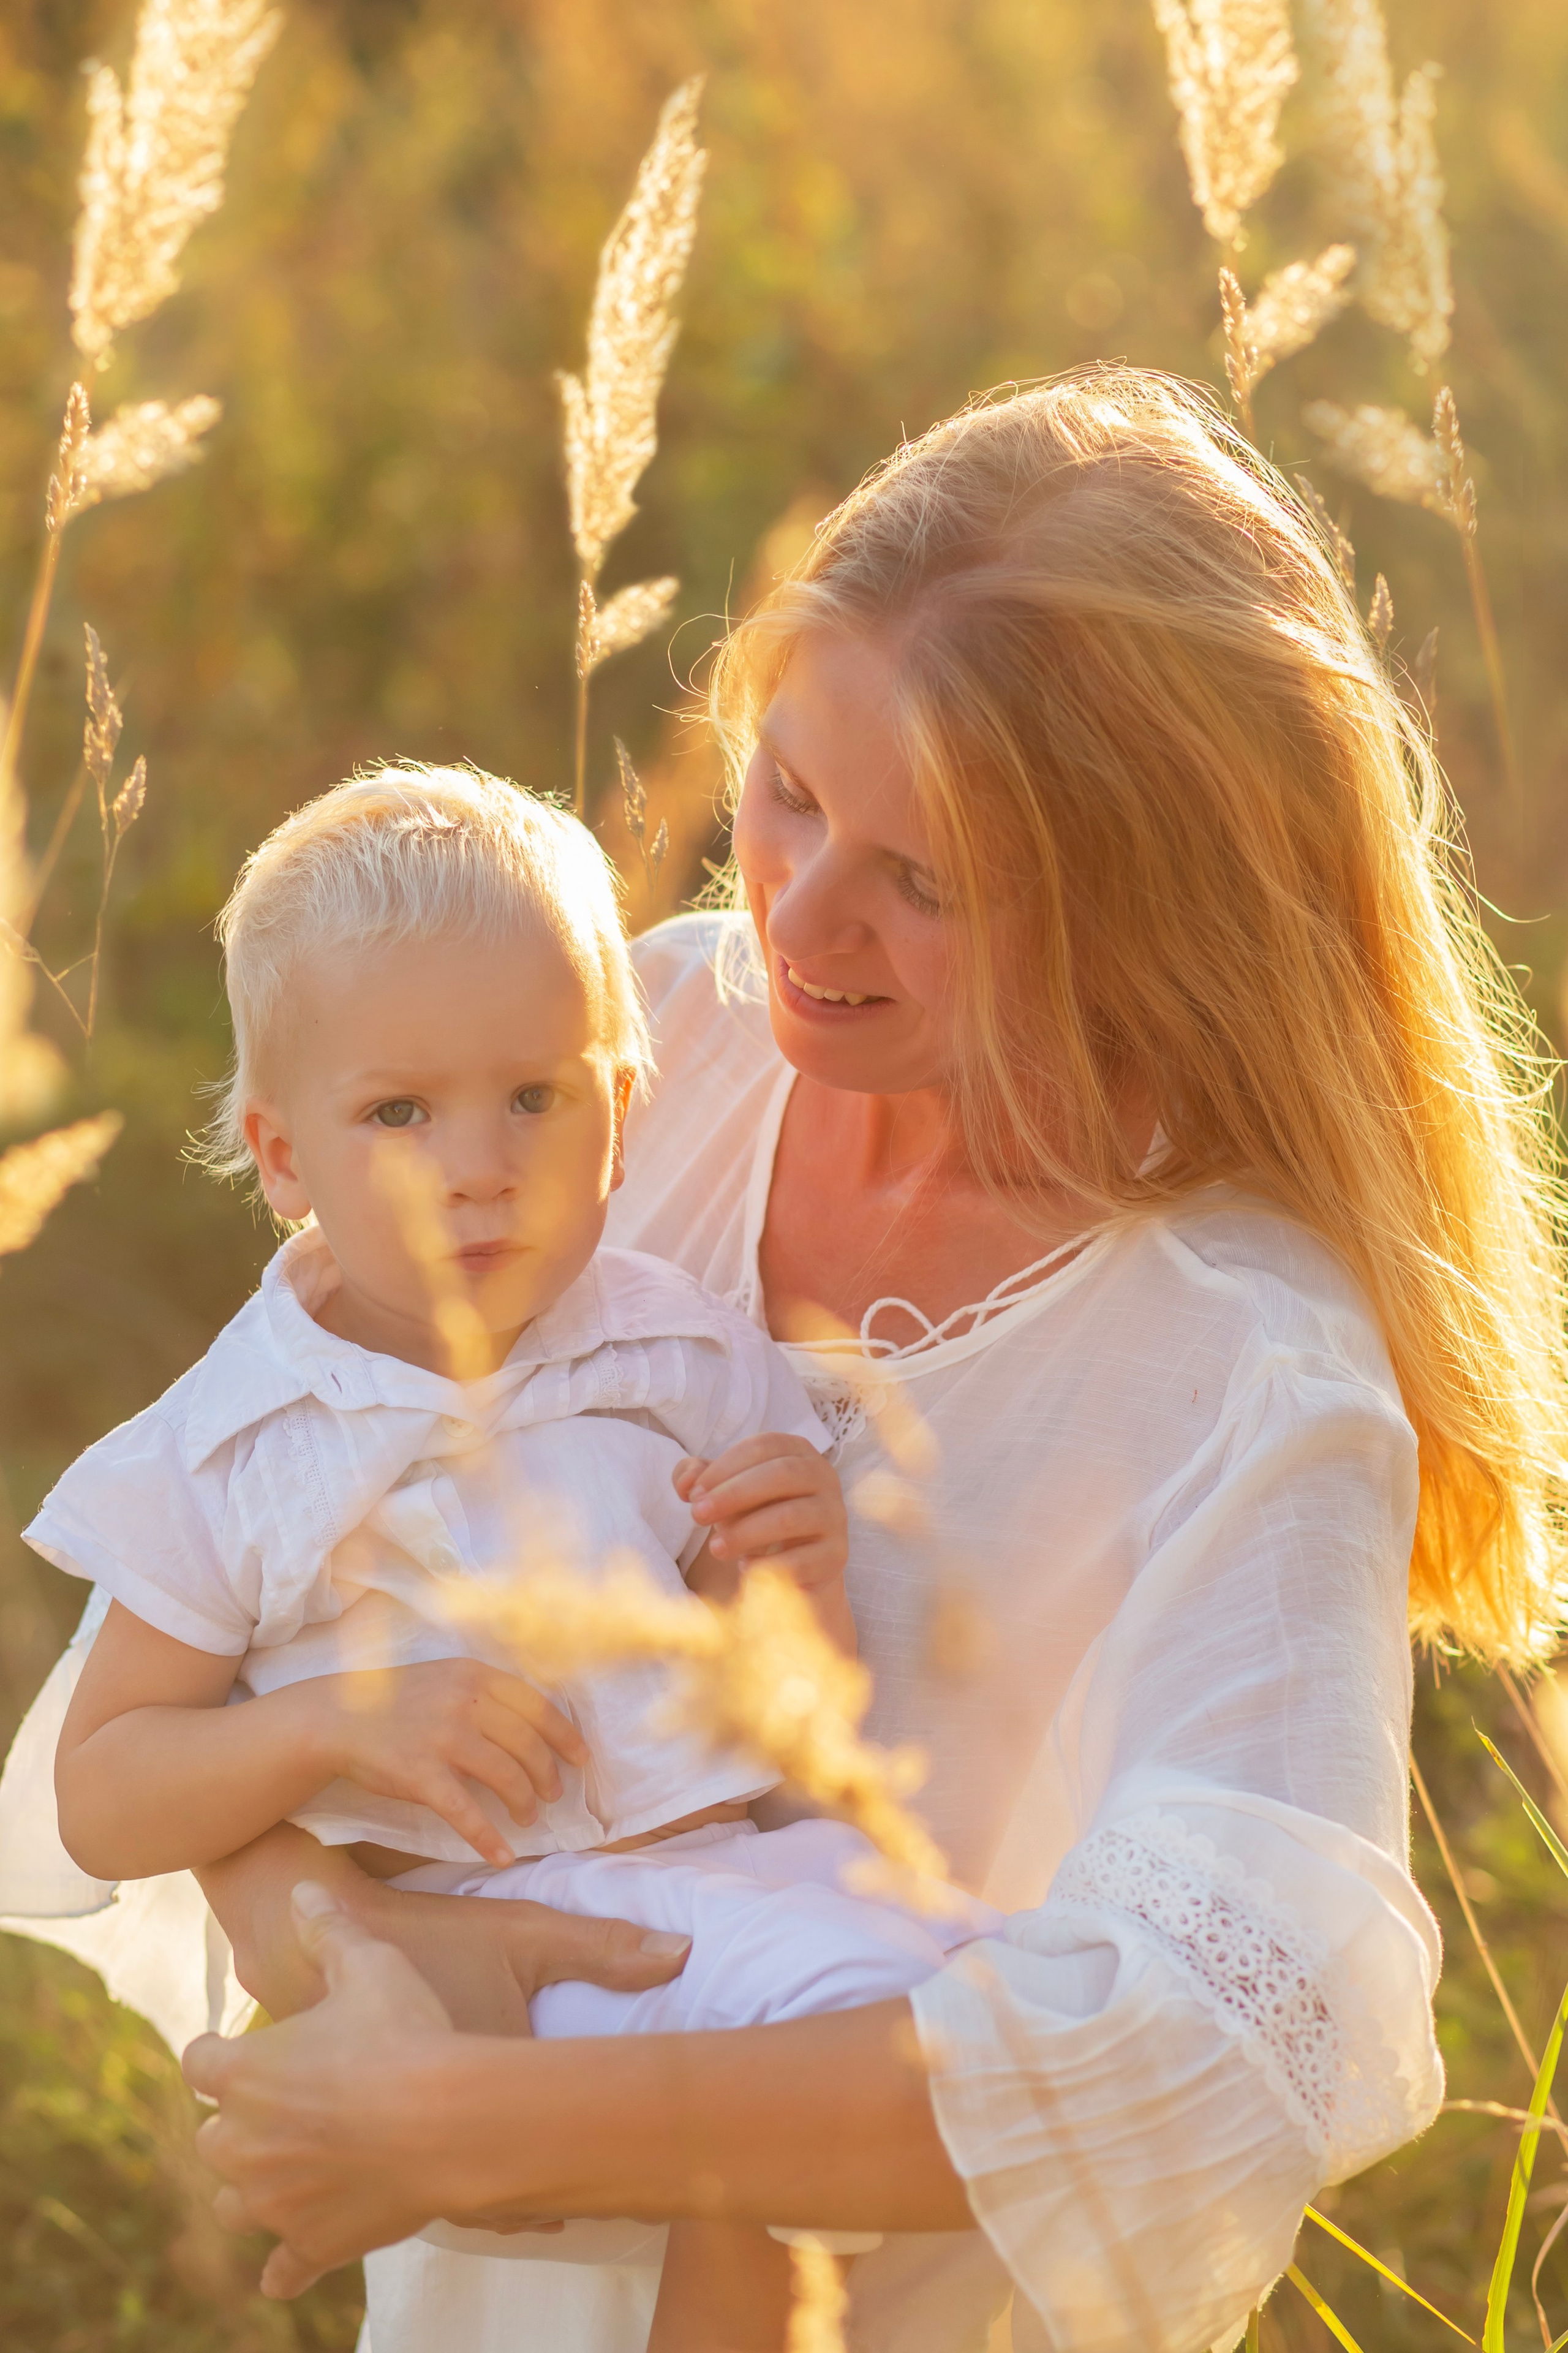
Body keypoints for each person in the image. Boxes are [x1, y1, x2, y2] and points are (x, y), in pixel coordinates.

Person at [183, 368, 1565, 2353]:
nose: (803, 920)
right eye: (792, 793)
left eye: (931, 879)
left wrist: (478, 2115)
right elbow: (241, 1566)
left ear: (1141, 912)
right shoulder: (631, 1064)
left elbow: (1194, 2042)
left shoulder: (1246, 1366)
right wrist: (358, 1957)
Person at [21, 767, 1002, 2353]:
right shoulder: (232, 1445)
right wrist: (337, 1722)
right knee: (511, 2298)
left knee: (944, 2027)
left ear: (621, 1113)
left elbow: (776, 1714)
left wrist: (794, 1578)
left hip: (711, 1879)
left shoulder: (680, 1357)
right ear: (283, 1156)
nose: (476, 1163)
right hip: (451, 1947)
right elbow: (101, 1787)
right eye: (399, 1112)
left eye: (534, 1098)